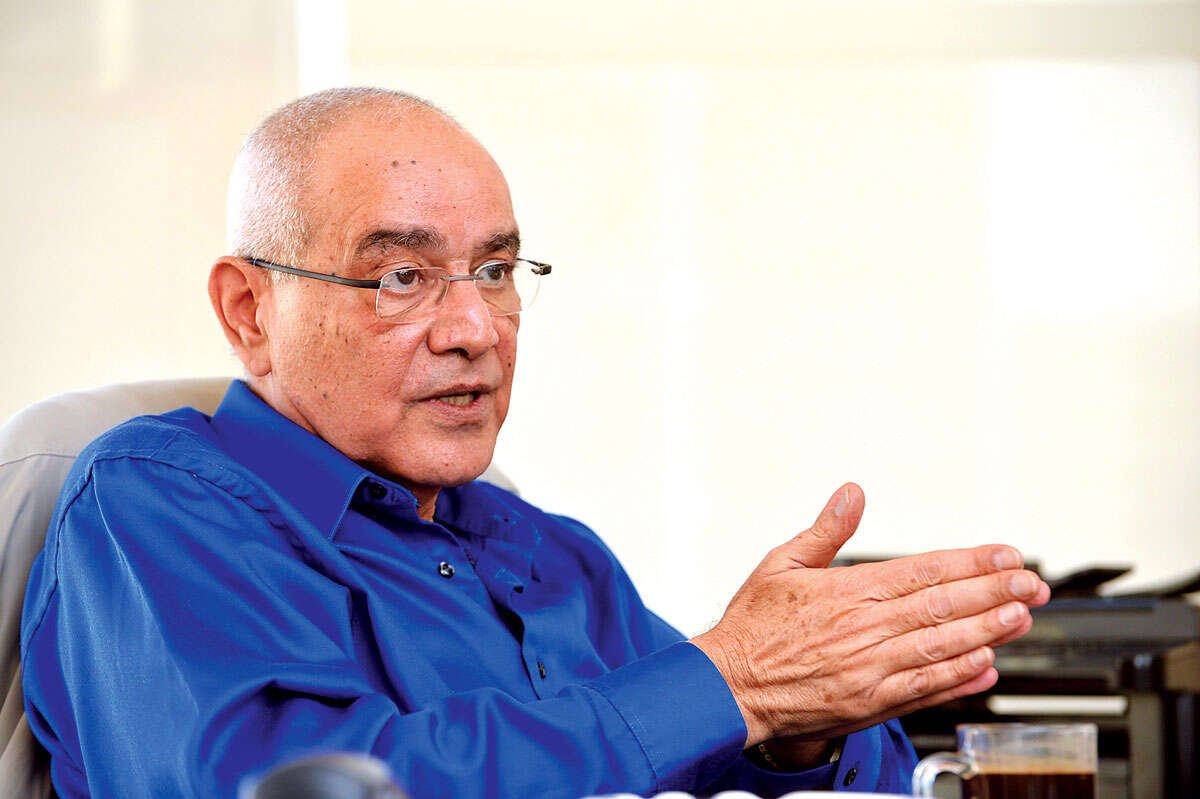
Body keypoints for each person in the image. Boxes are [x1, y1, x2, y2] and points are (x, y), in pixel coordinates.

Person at [20, 87, 1050, 798]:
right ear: (250, 311)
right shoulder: (157, 501)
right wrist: (736, 680)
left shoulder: (548, 551)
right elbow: (295, 784)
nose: (476, 327)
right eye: (402, 277)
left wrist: (804, 724)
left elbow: (712, 737)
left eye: (496, 271)